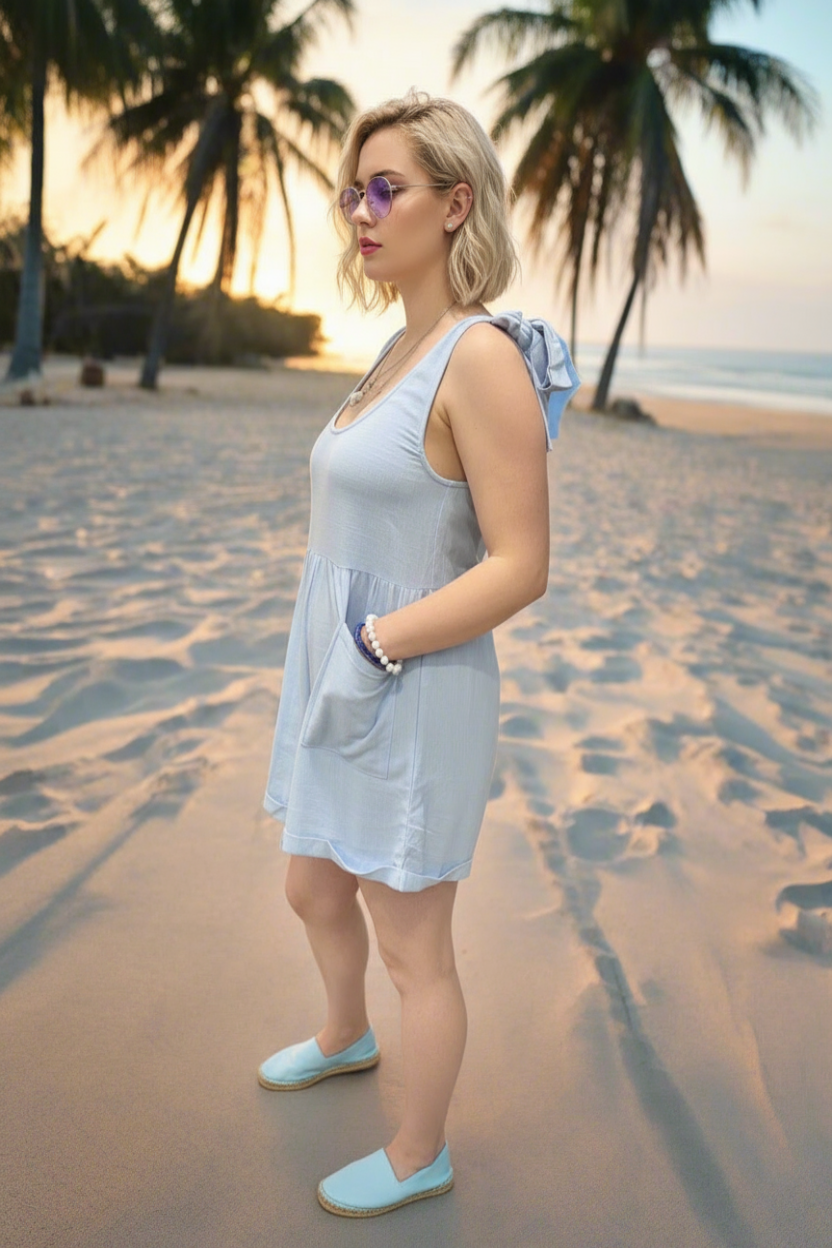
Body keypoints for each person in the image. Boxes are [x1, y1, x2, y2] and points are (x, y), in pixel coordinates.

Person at [260, 90, 579, 1218]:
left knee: (415, 950)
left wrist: (379, 641)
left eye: (384, 187)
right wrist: (334, 653)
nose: (360, 209)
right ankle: (345, 1038)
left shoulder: (479, 357)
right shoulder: (394, 346)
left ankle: (417, 1153)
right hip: (340, 670)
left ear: (455, 205)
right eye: (354, 189)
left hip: (410, 679)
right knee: (309, 883)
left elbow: (520, 564)